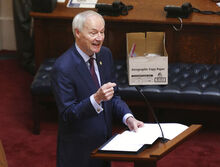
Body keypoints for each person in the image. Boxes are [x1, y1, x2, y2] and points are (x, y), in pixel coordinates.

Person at [50, 10, 144, 167]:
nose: (99, 38)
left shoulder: (105, 55)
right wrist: (96, 99)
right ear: (78, 33)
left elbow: (113, 96)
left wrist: (128, 118)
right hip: (78, 153)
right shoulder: (62, 68)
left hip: (104, 147)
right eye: (93, 33)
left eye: (102, 32)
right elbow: (67, 114)